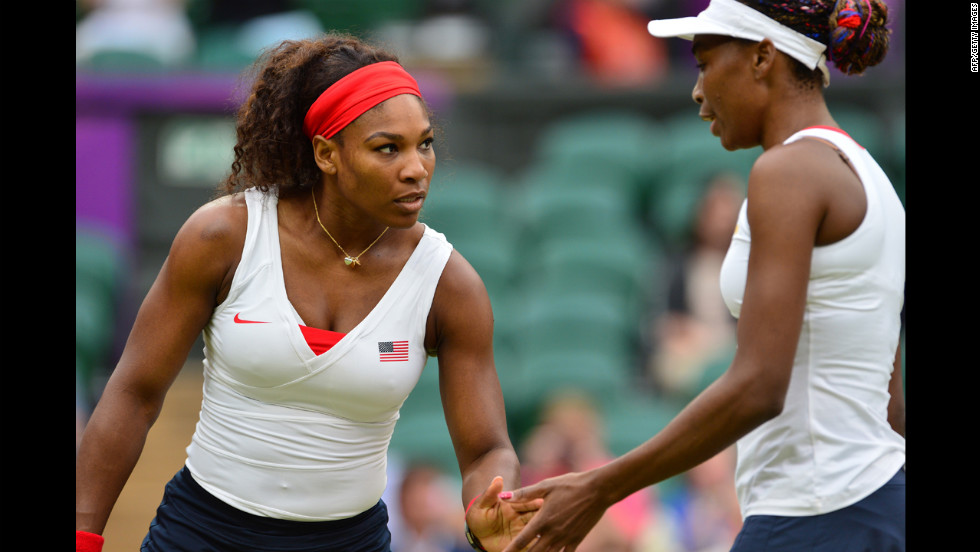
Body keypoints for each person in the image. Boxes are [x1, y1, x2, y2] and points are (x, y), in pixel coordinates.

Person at [75, 33, 541, 552]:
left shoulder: (450, 284)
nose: (416, 168)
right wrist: (82, 537)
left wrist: (487, 510)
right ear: (326, 154)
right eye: (387, 148)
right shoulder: (224, 236)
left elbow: (486, 452)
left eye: (424, 143)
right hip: (201, 534)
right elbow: (134, 395)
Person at [499, 1, 906, 550]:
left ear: (763, 57)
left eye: (704, 63)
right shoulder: (872, 178)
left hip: (816, 515)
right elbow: (891, 396)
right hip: (875, 505)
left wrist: (601, 487)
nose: (696, 91)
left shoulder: (787, 172)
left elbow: (760, 386)